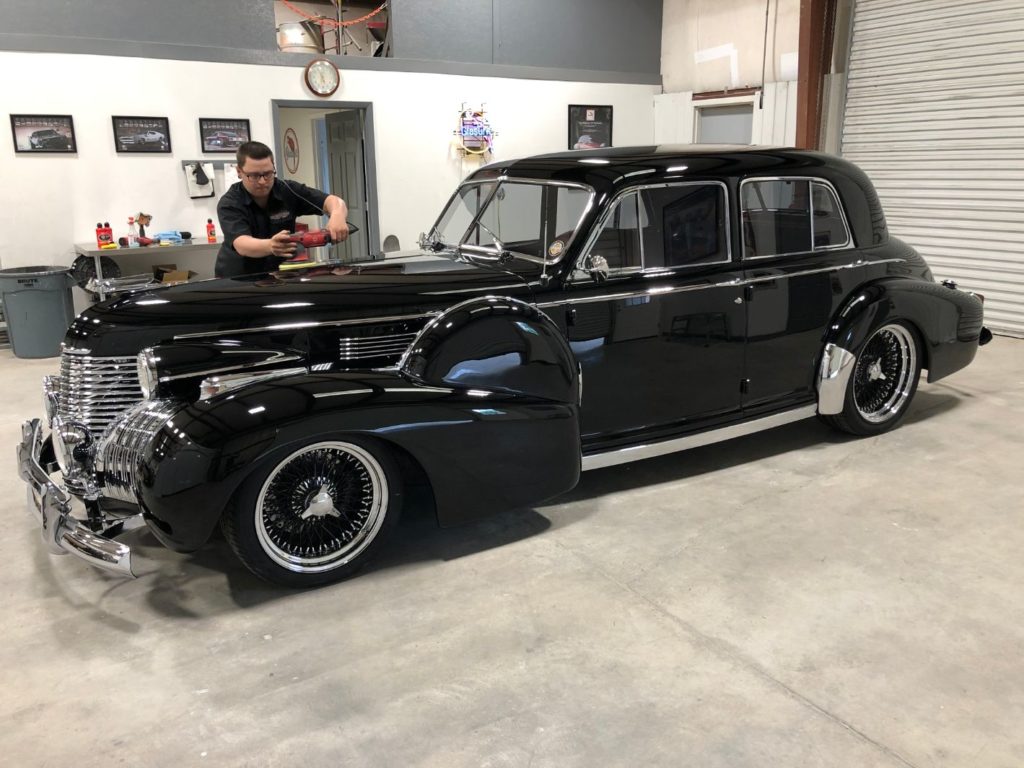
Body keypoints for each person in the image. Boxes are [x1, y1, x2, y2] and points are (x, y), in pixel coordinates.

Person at [215, 141, 350, 277]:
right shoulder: (230, 203)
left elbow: (332, 201)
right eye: (254, 176)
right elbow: (242, 244)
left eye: (268, 174)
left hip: (278, 274)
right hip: (238, 279)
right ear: (239, 171)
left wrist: (337, 215)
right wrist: (270, 246)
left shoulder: (288, 190)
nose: (263, 181)